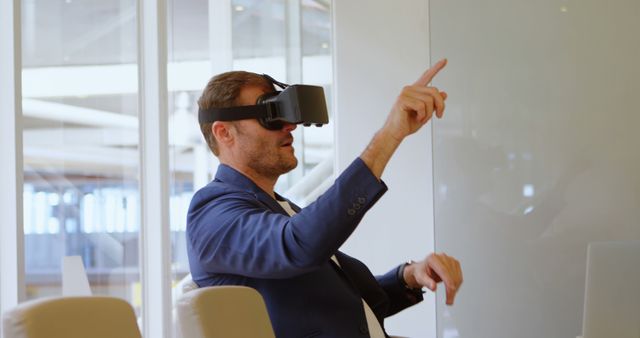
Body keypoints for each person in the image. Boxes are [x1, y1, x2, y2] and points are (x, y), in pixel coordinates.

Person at [187, 59, 463, 338]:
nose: (289, 126)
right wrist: (390, 134)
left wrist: (411, 276)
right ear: (224, 132)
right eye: (270, 113)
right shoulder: (211, 212)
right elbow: (298, 244)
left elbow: (349, 308)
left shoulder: (282, 211)